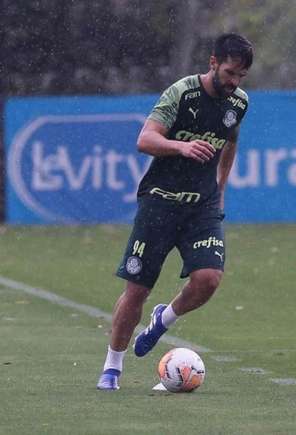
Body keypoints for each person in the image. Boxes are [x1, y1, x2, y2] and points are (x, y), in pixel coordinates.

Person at [97, 33, 253, 389]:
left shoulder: (239, 103)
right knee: (136, 290)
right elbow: (145, 139)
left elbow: (230, 143)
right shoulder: (181, 93)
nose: (234, 82)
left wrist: (221, 189)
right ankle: (112, 367)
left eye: (241, 77)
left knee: (209, 279)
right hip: (160, 201)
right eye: (230, 72)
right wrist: (181, 148)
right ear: (213, 62)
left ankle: (164, 319)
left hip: (202, 206)